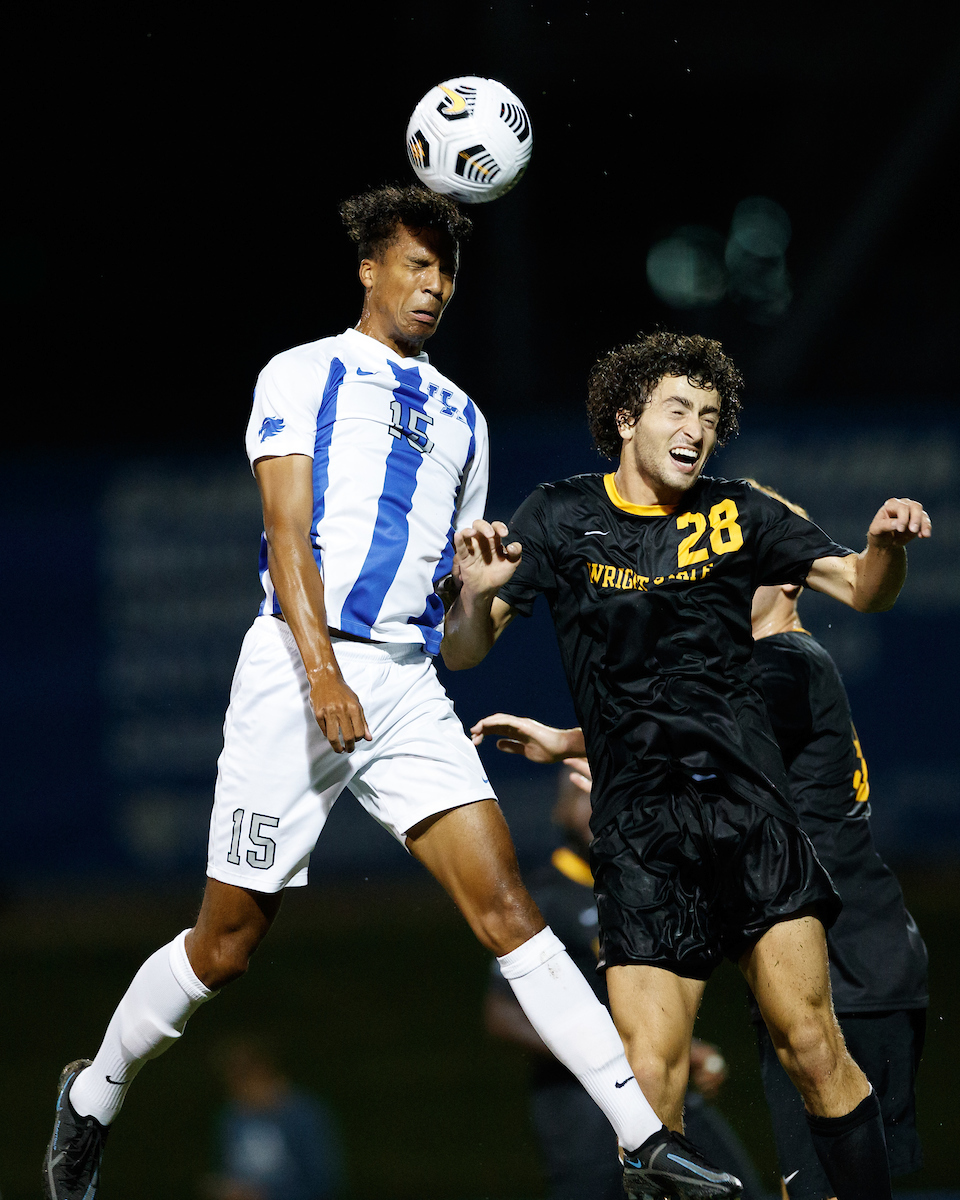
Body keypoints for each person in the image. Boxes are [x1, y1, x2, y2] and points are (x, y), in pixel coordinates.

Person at [43, 190, 732, 1200]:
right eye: (416, 265)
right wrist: (322, 673)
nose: (434, 286)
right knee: (226, 946)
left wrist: (480, 596)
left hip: (407, 682)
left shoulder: (465, 420)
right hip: (295, 668)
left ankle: (644, 1142)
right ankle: (94, 1094)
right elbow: (287, 536)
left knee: (509, 909)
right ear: (369, 269)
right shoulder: (302, 372)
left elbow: (458, 640)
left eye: (446, 272)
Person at [446, 329, 931, 1200]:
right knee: (648, 1089)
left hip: (751, 817)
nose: (696, 429)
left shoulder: (739, 512)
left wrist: (886, 545)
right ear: (627, 419)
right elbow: (465, 651)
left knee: (812, 1046)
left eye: (710, 416)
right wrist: (475, 600)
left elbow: (863, 587)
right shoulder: (558, 516)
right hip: (641, 836)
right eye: (678, 409)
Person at [746, 482, 928, 1200]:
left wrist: (577, 743)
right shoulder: (780, 663)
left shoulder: (783, 665)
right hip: (848, 969)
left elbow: (698, 730)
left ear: (789, 578)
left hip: (847, 977)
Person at [484, 766, 768, 1200]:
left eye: (607, 791)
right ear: (560, 810)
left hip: (661, 1093)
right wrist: (615, 1054)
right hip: (582, 1117)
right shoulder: (540, 899)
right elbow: (501, 1015)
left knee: (739, 1188)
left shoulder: (643, 889)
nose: (598, 805)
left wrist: (677, 1047)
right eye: (582, 793)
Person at [204, 1037, 342, 1200]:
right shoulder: (231, 1118)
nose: (238, 1088)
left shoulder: (302, 1114)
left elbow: (324, 1180)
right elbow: (228, 1172)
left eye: (243, 1076)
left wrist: (266, 1195)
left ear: (264, 1070)